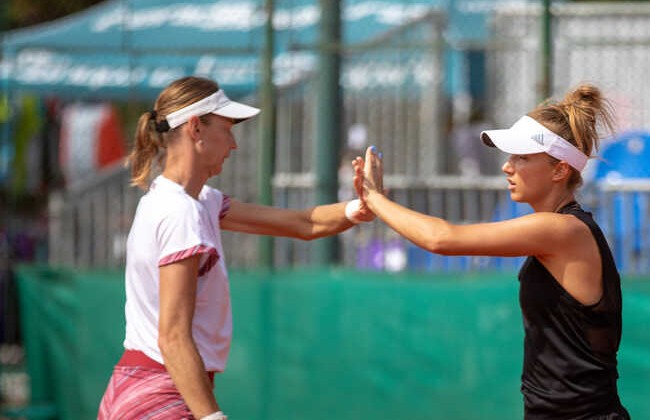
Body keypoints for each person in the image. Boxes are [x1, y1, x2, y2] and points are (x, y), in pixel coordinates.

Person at [97, 76, 375, 420]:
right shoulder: (180, 211)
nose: (234, 144)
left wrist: (361, 207)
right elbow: (172, 336)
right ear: (196, 128)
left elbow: (304, 224)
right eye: (227, 129)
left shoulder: (193, 202)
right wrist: (211, 417)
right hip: (159, 397)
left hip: (138, 390)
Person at [353, 84, 630, 419]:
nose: (506, 167)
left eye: (522, 157)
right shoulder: (555, 228)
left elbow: (442, 239)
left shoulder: (561, 230)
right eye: (509, 156)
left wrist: (375, 199)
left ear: (559, 170)